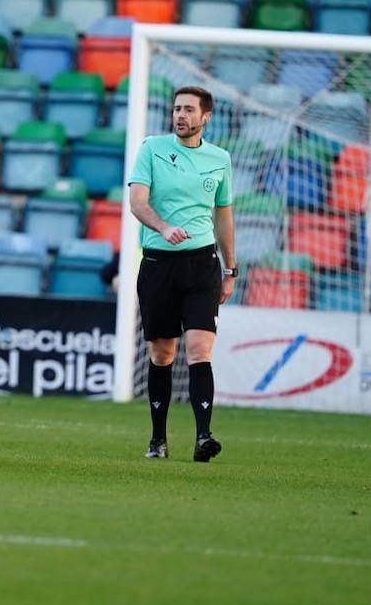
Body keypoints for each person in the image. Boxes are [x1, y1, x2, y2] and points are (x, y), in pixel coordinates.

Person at [127, 85, 236, 463]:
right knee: (162, 353)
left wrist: (231, 267)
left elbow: (223, 215)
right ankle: (158, 439)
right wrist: (163, 227)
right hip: (158, 263)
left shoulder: (219, 159)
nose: (180, 115)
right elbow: (137, 203)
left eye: (189, 110)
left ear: (205, 117)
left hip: (202, 264)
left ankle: (204, 436)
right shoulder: (152, 149)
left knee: (200, 349)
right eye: (177, 109)